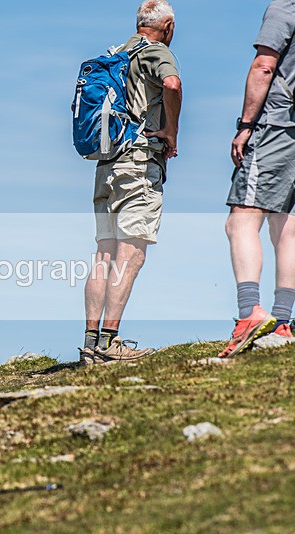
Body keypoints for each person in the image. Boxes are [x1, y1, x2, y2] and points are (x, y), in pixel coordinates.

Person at [80, 0, 182, 364]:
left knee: (103, 253)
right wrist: (171, 129)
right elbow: (172, 83)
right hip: (138, 162)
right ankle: (109, 342)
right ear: (167, 26)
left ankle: (91, 343)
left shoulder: (117, 53)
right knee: (132, 251)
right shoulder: (156, 51)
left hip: (105, 165)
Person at [220, 0, 295, 358]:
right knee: (286, 224)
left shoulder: (285, 6)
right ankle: (282, 321)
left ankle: (250, 313)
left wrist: (246, 125)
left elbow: (265, 66)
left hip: (278, 124)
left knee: (241, 220)